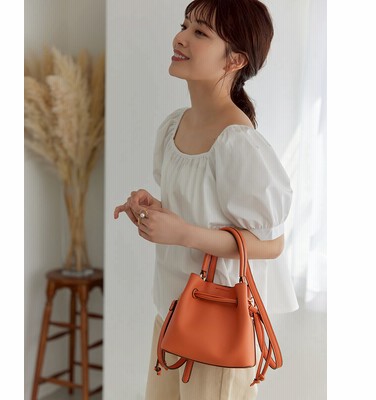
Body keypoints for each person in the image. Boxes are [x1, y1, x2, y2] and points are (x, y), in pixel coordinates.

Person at [114, 0, 297, 398]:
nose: (180, 38)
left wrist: (183, 234)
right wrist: (155, 211)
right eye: (185, 25)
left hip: (217, 327)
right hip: (171, 313)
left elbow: (272, 244)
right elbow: (200, 214)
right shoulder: (174, 126)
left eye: (200, 32)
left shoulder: (238, 143)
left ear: (234, 60)